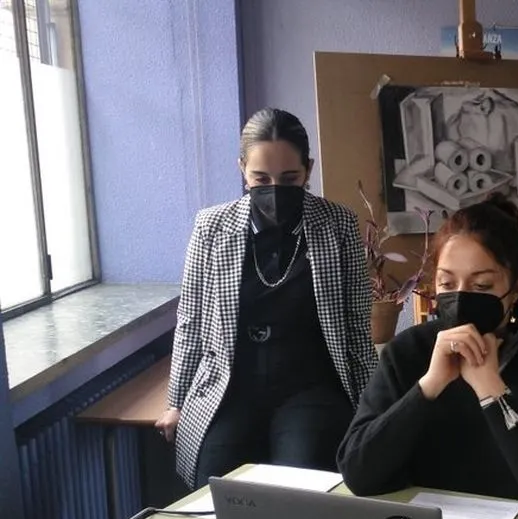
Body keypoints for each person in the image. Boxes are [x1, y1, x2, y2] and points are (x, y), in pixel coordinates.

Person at [337, 194, 518, 515]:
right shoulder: (408, 352)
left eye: (482, 286)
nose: (460, 298)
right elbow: (358, 474)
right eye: (447, 282)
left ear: (517, 289)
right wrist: (429, 386)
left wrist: (491, 389)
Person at [155, 108, 376, 490]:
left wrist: (374, 404)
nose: (275, 189)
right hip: (232, 384)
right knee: (214, 481)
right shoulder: (211, 228)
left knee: (302, 481)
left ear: (308, 169)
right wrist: (176, 402)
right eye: (260, 178)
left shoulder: (339, 224)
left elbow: (356, 324)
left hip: (311, 384)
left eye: (289, 178)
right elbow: (190, 319)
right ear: (242, 169)